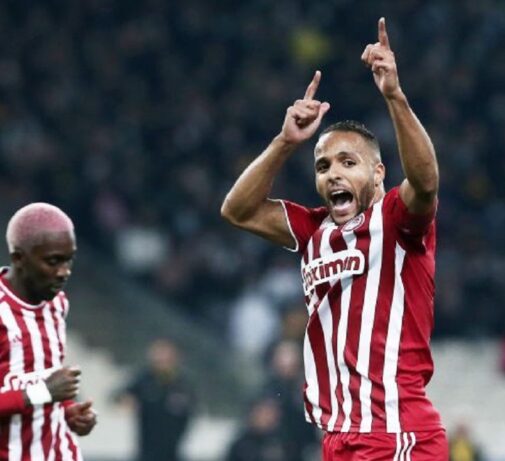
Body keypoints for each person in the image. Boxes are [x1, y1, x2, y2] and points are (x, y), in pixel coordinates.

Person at [221, 17, 447, 460]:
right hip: (338, 437)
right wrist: (285, 142)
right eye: (323, 166)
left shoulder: (395, 219)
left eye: (348, 162)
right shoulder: (313, 230)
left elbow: (426, 183)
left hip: (395, 433)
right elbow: (237, 210)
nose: (333, 174)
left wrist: (394, 96)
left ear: (378, 174)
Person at [0, 202, 98, 459]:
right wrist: (42, 392)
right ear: (18, 258)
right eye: (53, 261)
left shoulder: (57, 303)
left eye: (68, 259)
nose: (64, 272)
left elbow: (41, 375)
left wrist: (69, 411)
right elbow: (41, 389)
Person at [117, 338, 194, 461]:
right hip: (147, 449)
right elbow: (121, 395)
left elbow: (190, 410)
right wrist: (127, 400)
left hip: (172, 450)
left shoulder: (182, 384)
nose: (161, 361)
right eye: (158, 357)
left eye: (166, 357)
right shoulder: (144, 379)